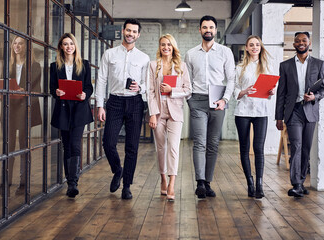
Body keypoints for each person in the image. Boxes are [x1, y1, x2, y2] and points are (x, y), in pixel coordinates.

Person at [96, 19, 150, 200]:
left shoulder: (144, 58)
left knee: (132, 147)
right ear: (123, 31)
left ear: (138, 35)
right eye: (128, 30)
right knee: (108, 143)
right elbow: (102, 79)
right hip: (114, 102)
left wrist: (140, 89)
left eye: (134, 31)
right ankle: (117, 170)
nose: (131, 34)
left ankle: (127, 186)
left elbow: (147, 84)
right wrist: (100, 105)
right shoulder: (109, 54)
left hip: (135, 103)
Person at [185, 15, 235, 199]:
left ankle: (208, 182)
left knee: (213, 143)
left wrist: (225, 99)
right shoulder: (190, 54)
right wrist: (190, 99)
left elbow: (231, 78)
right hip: (197, 100)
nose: (208, 30)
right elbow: (187, 80)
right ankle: (199, 182)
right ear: (200, 30)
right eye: (205, 27)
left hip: (218, 101)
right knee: (200, 142)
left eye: (211, 27)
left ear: (215, 30)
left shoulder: (225, 52)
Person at [275, 32, 324, 198]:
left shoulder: (319, 64)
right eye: (297, 41)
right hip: (293, 111)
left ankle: (302, 181)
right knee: (296, 146)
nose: (300, 43)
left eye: (304, 40)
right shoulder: (285, 66)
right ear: (294, 44)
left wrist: (314, 97)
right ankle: (296, 183)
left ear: (309, 42)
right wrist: (279, 117)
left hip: (310, 110)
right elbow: (281, 93)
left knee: (306, 148)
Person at [147, 34, 191, 201]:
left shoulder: (182, 66)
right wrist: (152, 113)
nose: (166, 47)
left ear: (173, 48)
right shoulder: (153, 66)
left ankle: (172, 181)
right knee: (161, 147)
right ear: (159, 47)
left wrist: (172, 90)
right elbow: (150, 91)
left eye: (169, 45)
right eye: (163, 45)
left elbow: (188, 90)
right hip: (158, 111)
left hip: (175, 111)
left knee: (173, 147)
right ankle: (163, 178)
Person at [50, 33, 94, 198]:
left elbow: (89, 87)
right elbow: (52, 88)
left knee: (75, 144)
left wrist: (85, 94)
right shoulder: (54, 66)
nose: (69, 47)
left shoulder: (84, 65)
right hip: (62, 109)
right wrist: (56, 92)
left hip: (78, 109)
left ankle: (73, 183)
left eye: (71, 44)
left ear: (75, 46)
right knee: (66, 145)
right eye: (65, 44)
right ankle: (70, 181)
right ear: (61, 47)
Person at [233, 35, 275, 199]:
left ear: (260, 47)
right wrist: (243, 92)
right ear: (247, 48)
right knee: (244, 148)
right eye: (251, 45)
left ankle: (259, 184)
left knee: (258, 148)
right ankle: (249, 183)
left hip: (261, 112)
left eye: (257, 44)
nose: (254, 47)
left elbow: (270, 89)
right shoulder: (239, 68)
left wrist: (271, 92)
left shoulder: (267, 67)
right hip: (243, 111)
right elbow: (235, 88)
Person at [9, 36, 42, 192]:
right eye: (15, 43)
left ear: (26, 47)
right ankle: (6, 182)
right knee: (8, 148)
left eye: (20, 43)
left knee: (23, 146)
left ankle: (23, 183)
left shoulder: (35, 66)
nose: (17, 46)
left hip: (24, 110)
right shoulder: (8, 66)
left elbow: (37, 91)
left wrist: (26, 92)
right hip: (9, 110)